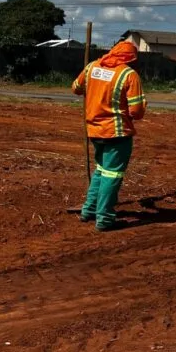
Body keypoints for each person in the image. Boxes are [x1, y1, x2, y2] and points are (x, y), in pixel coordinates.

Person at [71, 39, 147, 232]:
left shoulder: (92, 67)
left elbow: (76, 88)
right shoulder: (128, 75)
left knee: (101, 170)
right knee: (112, 175)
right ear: (130, 58)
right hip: (117, 133)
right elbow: (136, 111)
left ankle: (88, 210)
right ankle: (104, 218)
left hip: (94, 131)